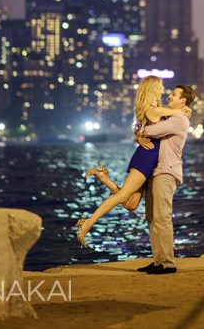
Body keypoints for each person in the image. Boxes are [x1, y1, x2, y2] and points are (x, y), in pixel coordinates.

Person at [71, 75, 189, 246]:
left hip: (151, 160)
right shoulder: (153, 109)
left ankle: (103, 178)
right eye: (160, 87)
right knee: (123, 197)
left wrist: (138, 135)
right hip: (145, 158)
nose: (163, 91)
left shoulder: (156, 108)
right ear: (152, 89)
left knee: (131, 204)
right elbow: (175, 113)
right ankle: (87, 223)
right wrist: (183, 110)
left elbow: (141, 128)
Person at [135, 83, 196, 274]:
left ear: (183, 100)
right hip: (156, 170)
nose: (169, 96)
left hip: (166, 172)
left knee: (162, 218)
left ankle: (168, 263)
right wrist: (139, 133)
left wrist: (139, 132)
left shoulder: (179, 119)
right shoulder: (172, 116)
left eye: (173, 95)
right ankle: (158, 260)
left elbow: (150, 131)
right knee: (152, 218)